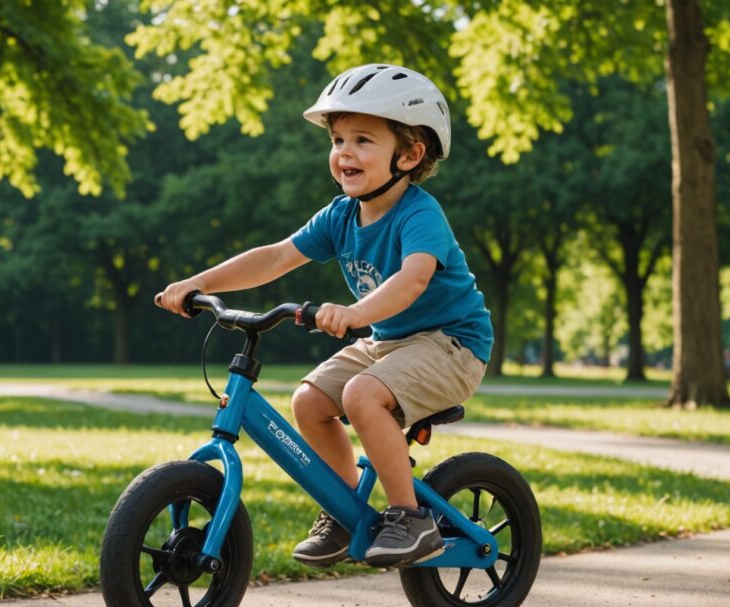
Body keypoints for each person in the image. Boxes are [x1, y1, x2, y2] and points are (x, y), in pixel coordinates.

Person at [156, 63, 492, 568]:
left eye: (362, 140)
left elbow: (413, 279)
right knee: (309, 400)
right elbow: (273, 257)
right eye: (337, 140)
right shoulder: (340, 215)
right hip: (390, 341)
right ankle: (347, 506)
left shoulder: (419, 214)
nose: (344, 153)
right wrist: (198, 283)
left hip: (452, 345)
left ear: (410, 153)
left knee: (361, 394)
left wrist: (355, 312)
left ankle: (409, 516)